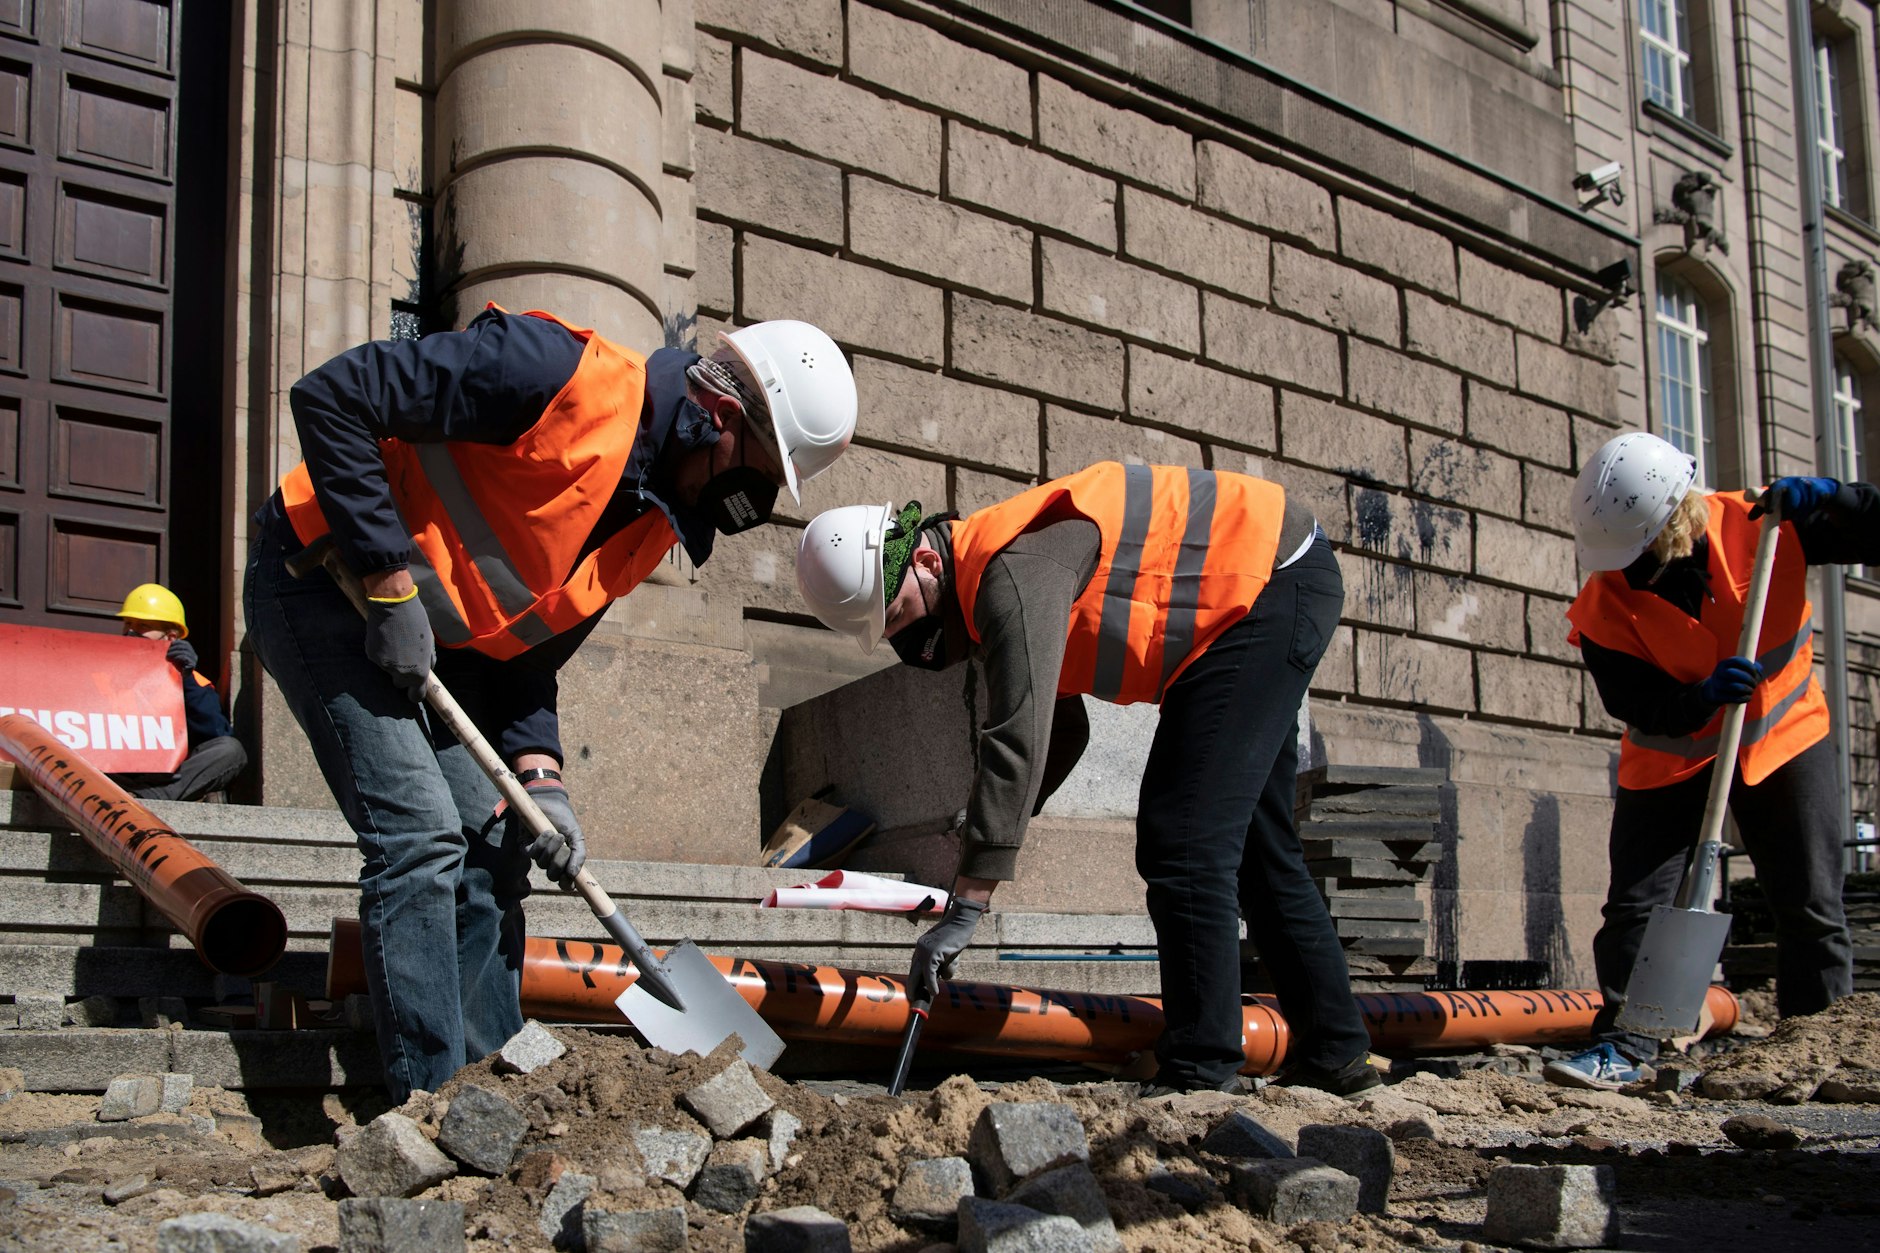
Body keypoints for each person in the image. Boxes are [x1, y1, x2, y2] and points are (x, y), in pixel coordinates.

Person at [245, 306, 857, 1098]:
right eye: (760, 472)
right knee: (421, 836)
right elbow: (332, 397)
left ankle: (492, 1092)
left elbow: (528, 655)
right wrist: (389, 583)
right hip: (322, 576)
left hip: (433, 649)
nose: (749, 499)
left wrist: (544, 781)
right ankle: (427, 1105)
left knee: (493, 851)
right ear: (720, 414)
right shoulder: (549, 371)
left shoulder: (652, 520)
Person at [794, 461, 1380, 1096]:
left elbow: (1018, 737)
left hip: (1263, 581)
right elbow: (1064, 731)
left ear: (926, 563)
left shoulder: (1012, 574)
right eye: (886, 632)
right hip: (1264, 588)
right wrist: (983, 835)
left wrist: (967, 905)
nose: (904, 638)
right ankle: (1334, 1052)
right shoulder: (990, 587)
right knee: (1260, 848)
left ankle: (1202, 1068)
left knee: (1184, 839)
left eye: (898, 613)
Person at [1549, 431, 1872, 1090]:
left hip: (1784, 738)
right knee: (1636, 908)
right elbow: (1635, 702)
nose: (1627, 571)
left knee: (1810, 904)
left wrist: (1837, 498)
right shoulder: (1604, 605)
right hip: (1670, 760)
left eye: (1639, 553)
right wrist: (1699, 698)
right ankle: (1626, 1046)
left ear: (1674, 520)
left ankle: (1815, 1045)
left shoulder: (1766, 525)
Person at [108, 582, 248, 802]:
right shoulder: (102, 672)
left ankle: (147, 798)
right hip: (110, 773)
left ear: (171, 637)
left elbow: (215, 733)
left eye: (143, 625)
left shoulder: (195, 681)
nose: (131, 632)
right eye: (127, 624)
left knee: (231, 751)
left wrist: (185, 679)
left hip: (168, 778)